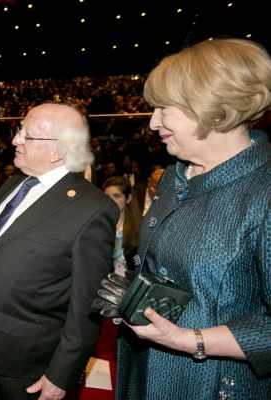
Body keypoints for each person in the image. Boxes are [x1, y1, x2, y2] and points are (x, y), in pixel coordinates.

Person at [103, 38, 271, 399]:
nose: (152, 123)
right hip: (145, 371)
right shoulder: (174, 176)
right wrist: (132, 299)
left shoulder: (264, 190)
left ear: (214, 108)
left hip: (212, 385)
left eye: (164, 108)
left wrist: (190, 339)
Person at [0, 103, 118, 400]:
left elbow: (87, 305)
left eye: (26, 135)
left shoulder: (92, 209)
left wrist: (61, 374)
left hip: (29, 366)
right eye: (18, 131)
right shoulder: (13, 184)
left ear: (58, 150)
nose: (15, 140)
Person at [102, 176, 141, 276]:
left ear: (128, 198)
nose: (111, 201)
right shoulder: (97, 227)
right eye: (106, 196)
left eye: (116, 196)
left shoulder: (140, 228)